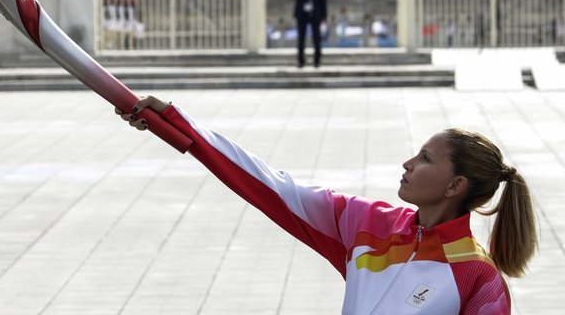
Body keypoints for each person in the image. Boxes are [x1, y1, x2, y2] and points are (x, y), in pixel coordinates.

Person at [116, 95, 537, 314]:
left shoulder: (477, 278)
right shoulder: (367, 226)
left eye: (426, 159)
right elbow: (268, 185)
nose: (407, 163)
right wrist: (174, 124)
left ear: (455, 186)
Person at [289, 0, 327, 67]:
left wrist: (324, 15)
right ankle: (301, 61)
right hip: (302, 13)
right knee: (301, 38)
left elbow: (323, 0)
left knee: (316, 38)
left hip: (315, 13)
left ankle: (317, 61)